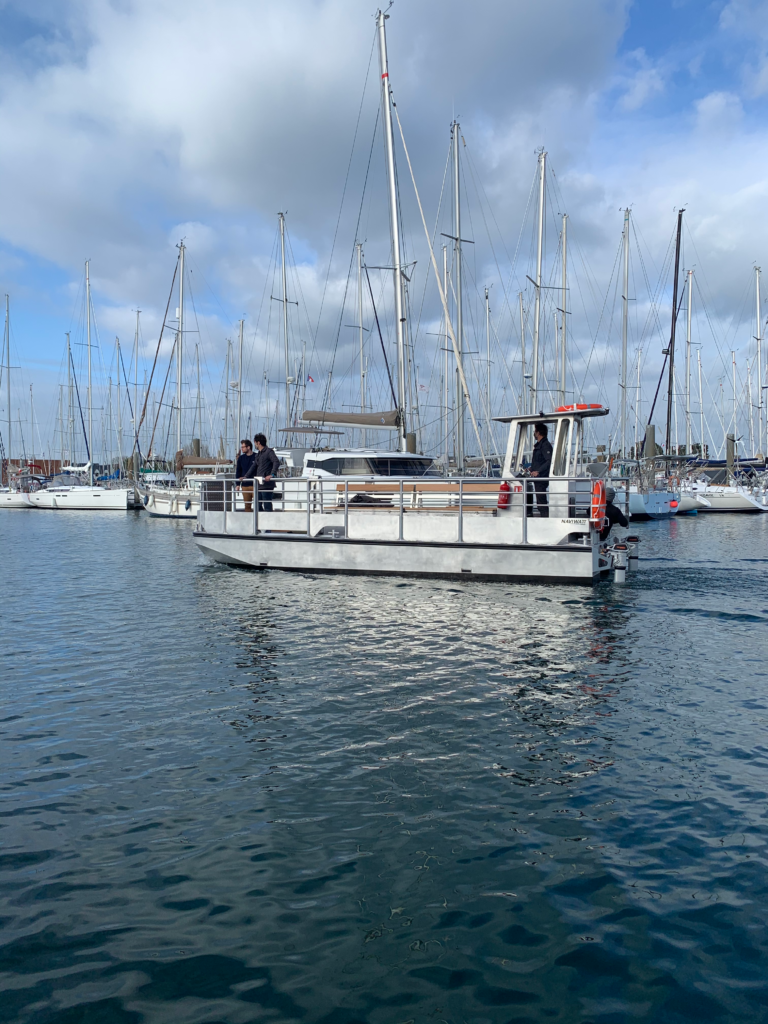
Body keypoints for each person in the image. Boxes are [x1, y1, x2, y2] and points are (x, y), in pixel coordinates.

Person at [249, 433, 281, 511]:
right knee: (257, 505)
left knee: (267, 504)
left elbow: (276, 462)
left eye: (255, 442)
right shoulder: (258, 454)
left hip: (267, 484)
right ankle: (260, 520)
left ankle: (268, 520)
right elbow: (253, 467)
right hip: (259, 484)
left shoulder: (269, 451)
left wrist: (272, 474)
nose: (255, 445)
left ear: (258, 442)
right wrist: (246, 476)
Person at [527, 421, 553, 517]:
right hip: (538, 477)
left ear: (538, 433)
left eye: (535, 431)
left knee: (541, 502)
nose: (534, 433)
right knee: (539, 501)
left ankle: (545, 520)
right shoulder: (539, 445)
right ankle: (544, 518)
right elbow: (539, 461)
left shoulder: (545, 445)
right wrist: (531, 469)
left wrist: (538, 471)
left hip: (542, 477)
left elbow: (548, 461)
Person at [235, 439, 257, 512]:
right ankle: (248, 521)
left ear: (248, 447)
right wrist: (237, 484)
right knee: (247, 505)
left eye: (243, 447)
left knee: (258, 504)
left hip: (255, 484)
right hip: (245, 485)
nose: (242, 449)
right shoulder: (241, 458)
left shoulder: (256, 456)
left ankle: (258, 521)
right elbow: (238, 471)